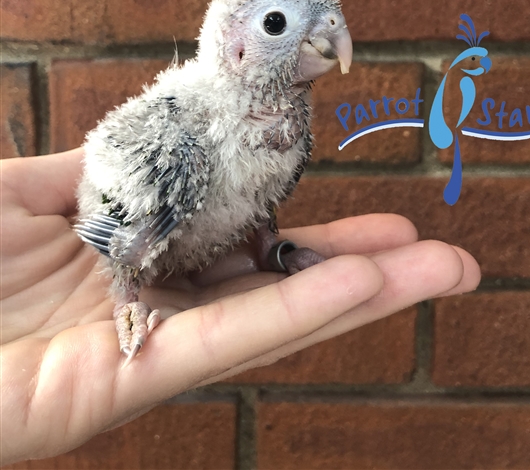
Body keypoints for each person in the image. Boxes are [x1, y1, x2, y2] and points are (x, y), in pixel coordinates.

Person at [0, 149, 480, 464]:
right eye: (276, 26)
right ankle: (129, 299)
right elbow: (117, 206)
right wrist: (125, 283)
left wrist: (267, 240)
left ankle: (270, 246)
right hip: (135, 253)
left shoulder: (283, 125)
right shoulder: (189, 122)